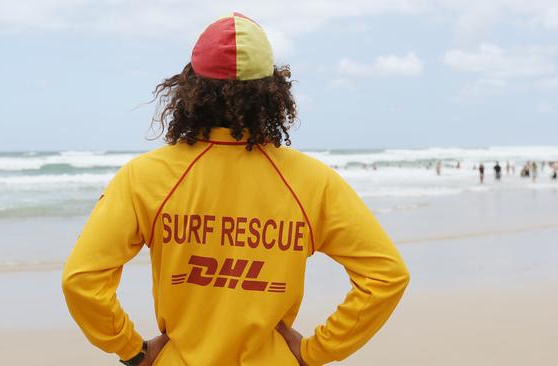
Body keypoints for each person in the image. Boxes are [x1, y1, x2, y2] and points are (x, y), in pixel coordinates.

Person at [62, 12, 409, 366]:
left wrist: (133, 350)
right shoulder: (311, 181)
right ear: (273, 92)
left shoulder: (145, 178)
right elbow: (386, 275)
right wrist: (316, 351)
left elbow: (82, 280)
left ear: (189, 89)